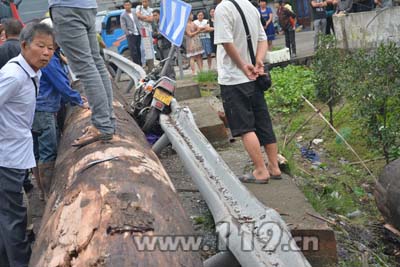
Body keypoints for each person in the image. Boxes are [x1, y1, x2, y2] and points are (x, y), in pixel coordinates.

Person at [0, 21, 55, 267]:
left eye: (51, 48)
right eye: (40, 46)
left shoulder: (31, 72)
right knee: (15, 216)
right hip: (6, 157)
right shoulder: (13, 75)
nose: (46, 52)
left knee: (7, 215)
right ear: (24, 45)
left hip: (15, 153)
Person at [214, 0, 281, 184]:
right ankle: (274, 167)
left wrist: (243, 66)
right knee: (263, 121)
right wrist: (258, 61)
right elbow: (262, 38)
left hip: (234, 79)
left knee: (245, 127)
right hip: (255, 77)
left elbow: (226, 42)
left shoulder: (223, 9)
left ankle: (260, 171)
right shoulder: (250, 7)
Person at [32, 19, 88, 200]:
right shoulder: (47, 58)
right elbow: (61, 84)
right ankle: (50, 196)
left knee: (38, 152)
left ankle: (43, 193)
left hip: (35, 108)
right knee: (48, 151)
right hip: (43, 109)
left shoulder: (47, 54)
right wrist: (79, 100)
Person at [49, 0, 115, 147]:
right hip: (88, 6)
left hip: (66, 8)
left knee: (86, 68)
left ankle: (102, 125)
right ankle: (108, 121)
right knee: (96, 63)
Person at [152, 9, 175, 79]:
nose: (154, 17)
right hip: (159, 46)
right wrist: (158, 34)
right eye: (153, 16)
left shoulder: (164, 23)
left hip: (166, 45)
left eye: (155, 15)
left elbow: (164, 34)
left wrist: (158, 34)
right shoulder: (155, 24)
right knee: (163, 64)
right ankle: (167, 78)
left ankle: (172, 78)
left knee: (168, 64)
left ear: (159, 15)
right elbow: (153, 34)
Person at [120, 0, 142, 65]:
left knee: (138, 49)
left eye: (128, 5)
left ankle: (140, 64)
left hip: (138, 33)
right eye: (126, 5)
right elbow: (123, 26)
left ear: (131, 5)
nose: (127, 6)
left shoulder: (134, 12)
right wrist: (128, 33)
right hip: (131, 34)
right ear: (124, 6)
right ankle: (136, 65)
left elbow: (138, 21)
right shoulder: (123, 15)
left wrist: (140, 30)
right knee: (133, 50)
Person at [136, 0, 154, 72]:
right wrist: (146, 17)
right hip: (142, 29)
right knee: (143, 47)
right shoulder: (139, 7)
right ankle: (144, 63)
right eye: (143, 1)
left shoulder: (151, 10)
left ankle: (152, 63)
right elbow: (138, 16)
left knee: (150, 46)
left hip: (149, 30)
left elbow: (151, 20)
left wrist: (142, 17)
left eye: (146, 1)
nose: (144, 3)